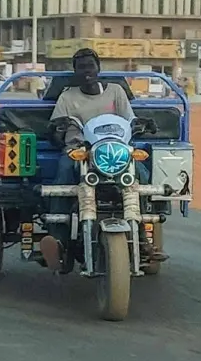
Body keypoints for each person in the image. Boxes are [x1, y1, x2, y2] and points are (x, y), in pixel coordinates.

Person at [38, 48, 135, 271]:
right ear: (75, 71)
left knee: (141, 175)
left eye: (90, 66)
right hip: (78, 152)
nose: (86, 71)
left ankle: (144, 236)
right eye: (81, 67)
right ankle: (58, 239)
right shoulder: (67, 97)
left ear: (98, 68)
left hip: (113, 151)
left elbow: (130, 120)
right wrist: (57, 130)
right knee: (63, 176)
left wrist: (140, 125)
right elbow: (55, 129)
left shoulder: (116, 92)